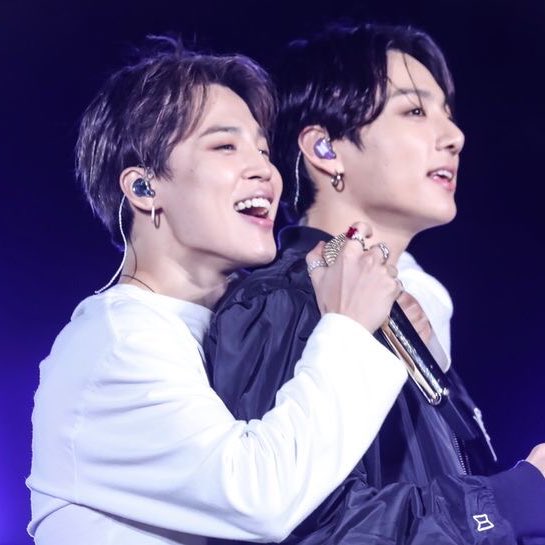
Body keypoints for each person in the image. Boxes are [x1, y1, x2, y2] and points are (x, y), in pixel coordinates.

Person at [26, 38, 409, 545]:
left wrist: (382, 317)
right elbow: (260, 496)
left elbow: (314, 258)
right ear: (143, 188)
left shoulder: (240, 322)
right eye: (225, 146)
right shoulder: (115, 341)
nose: (265, 170)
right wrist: (349, 328)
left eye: (264, 150)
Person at [204, 23, 545, 543]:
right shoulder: (283, 300)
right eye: (415, 111)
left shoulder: (401, 306)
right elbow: (303, 529)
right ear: (325, 148)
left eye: (447, 113)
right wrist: (516, 498)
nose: (454, 136)